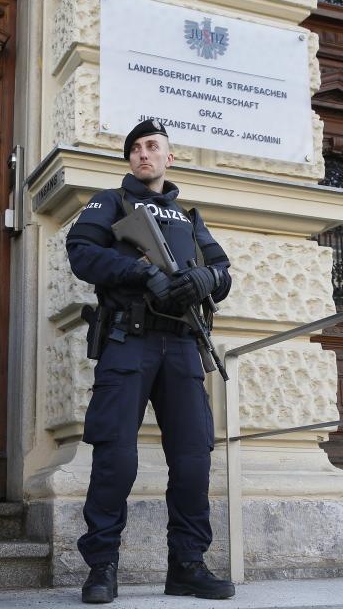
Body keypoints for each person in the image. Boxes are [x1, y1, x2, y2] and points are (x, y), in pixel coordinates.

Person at [66, 119, 234, 604]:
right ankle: (102, 567)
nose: (143, 154)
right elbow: (81, 254)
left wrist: (204, 281)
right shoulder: (109, 202)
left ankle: (186, 565)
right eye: (136, 148)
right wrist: (140, 274)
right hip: (129, 340)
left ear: (169, 157)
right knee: (116, 456)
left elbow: (222, 270)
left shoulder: (189, 216)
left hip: (182, 346)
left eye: (152, 146)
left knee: (191, 458)